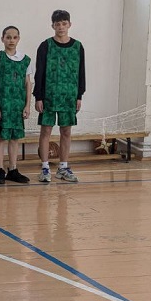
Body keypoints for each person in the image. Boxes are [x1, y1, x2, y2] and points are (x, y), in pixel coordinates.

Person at [34, 9, 86, 183]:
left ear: (69, 24)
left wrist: (79, 95)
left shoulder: (78, 46)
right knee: (46, 131)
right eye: (58, 24)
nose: (61, 27)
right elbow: (39, 73)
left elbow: (81, 72)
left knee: (66, 131)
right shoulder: (45, 46)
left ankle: (63, 167)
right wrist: (38, 96)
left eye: (64, 24)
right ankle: (45, 168)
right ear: (53, 26)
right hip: (49, 96)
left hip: (69, 96)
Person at [0, 26, 33, 185]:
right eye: (8, 37)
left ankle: (13, 169)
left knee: (14, 138)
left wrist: (27, 105)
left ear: (18, 39)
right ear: (2, 39)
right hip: (3, 105)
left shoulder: (25, 60)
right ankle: (0, 169)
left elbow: (28, 83)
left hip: (18, 105)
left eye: (14, 37)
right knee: (1, 137)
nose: (11, 40)